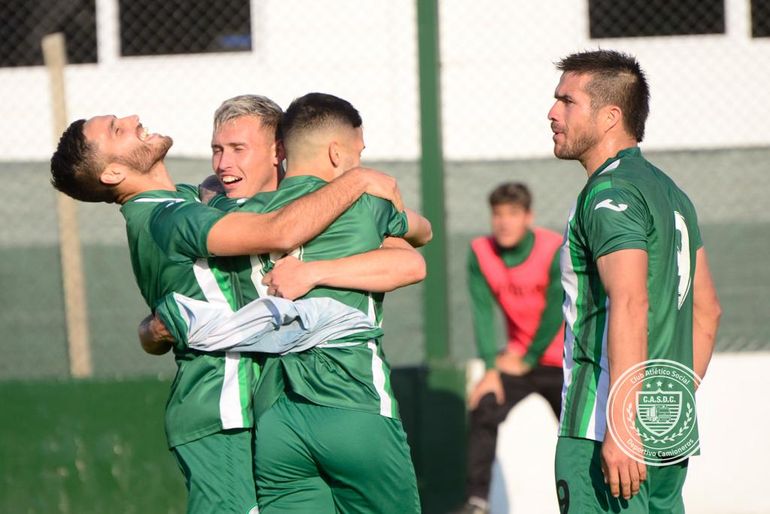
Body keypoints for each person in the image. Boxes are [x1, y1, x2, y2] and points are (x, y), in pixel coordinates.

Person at [49, 113, 408, 514]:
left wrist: (150, 331)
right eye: (117, 129)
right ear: (114, 172)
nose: (133, 119)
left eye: (238, 149)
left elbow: (162, 326)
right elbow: (279, 231)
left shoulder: (180, 203)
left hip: (260, 411)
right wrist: (357, 180)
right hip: (219, 412)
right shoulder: (168, 217)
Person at [214, 92, 431, 513]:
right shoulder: (365, 205)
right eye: (359, 151)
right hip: (352, 400)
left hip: (276, 418)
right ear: (337, 153)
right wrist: (375, 190)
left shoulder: (241, 218)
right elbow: (419, 244)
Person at [547, 50, 721, 513]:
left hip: (603, 426)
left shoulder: (608, 193)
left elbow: (629, 303)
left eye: (567, 101)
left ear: (610, 117)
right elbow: (707, 312)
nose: (552, 113)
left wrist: (624, 426)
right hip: (666, 424)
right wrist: (665, 402)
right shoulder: (670, 192)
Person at [454, 182, 564, 514]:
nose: (504, 222)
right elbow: (482, 312)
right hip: (517, 358)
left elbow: (556, 308)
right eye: (498, 214)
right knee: (483, 405)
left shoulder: (553, 247)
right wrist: (490, 369)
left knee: (579, 433)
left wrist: (529, 357)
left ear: (528, 217)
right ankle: (477, 501)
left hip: (563, 359)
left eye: (513, 214)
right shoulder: (480, 252)